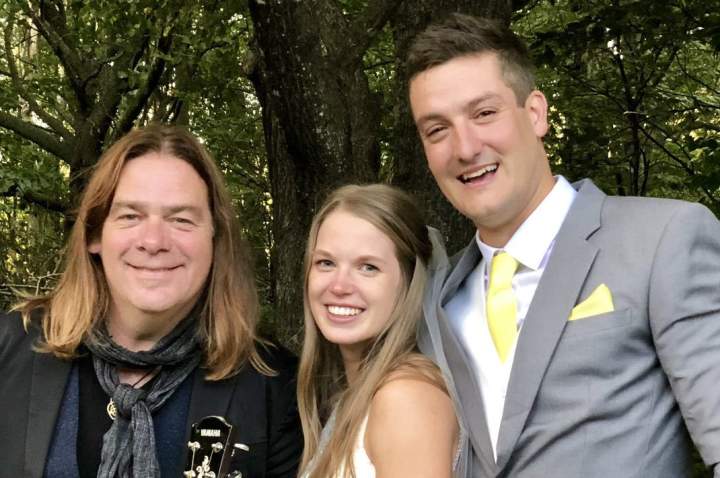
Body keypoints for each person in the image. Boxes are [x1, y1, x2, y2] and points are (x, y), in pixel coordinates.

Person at [407, 13, 720, 478]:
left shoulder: (663, 238)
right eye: (437, 130)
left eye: (484, 113)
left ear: (536, 113)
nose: (465, 148)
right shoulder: (435, 301)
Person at [0, 124, 302, 478]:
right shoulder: (10, 350)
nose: (154, 241)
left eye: (181, 219)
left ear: (215, 239)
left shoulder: (274, 386)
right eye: (131, 216)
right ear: (95, 235)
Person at [297, 184, 460, 478]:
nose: (339, 286)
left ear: (409, 282)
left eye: (368, 267)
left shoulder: (406, 399)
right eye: (326, 263)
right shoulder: (360, 395)